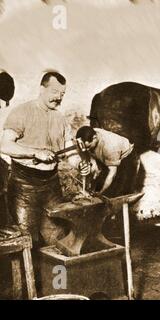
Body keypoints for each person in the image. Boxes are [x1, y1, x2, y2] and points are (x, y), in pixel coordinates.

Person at [0, 72, 71, 246]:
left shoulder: (61, 119)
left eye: (62, 94)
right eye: (55, 92)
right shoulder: (22, 112)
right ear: (41, 89)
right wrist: (35, 152)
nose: (58, 97)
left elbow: (70, 151)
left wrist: (83, 164)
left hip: (52, 186)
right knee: (26, 242)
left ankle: (56, 274)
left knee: (58, 241)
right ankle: (29, 274)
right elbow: (4, 146)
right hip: (24, 186)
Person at [75, 126, 140, 197]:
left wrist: (101, 193)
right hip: (107, 155)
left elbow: (112, 174)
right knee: (98, 185)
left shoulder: (110, 146)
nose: (87, 150)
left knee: (121, 190)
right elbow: (83, 151)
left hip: (127, 158)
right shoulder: (86, 136)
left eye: (88, 147)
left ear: (94, 138)